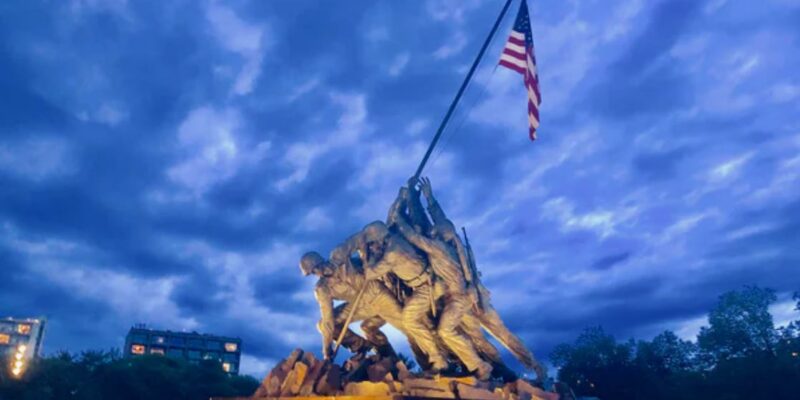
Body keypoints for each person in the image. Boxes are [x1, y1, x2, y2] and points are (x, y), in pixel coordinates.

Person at [389, 187, 493, 380]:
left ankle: (480, 365)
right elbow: (441, 222)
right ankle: (452, 361)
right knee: (435, 326)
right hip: (447, 292)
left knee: (445, 330)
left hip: (457, 297)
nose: (430, 230)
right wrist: (429, 199)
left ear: (437, 234)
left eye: (433, 230)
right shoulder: (450, 245)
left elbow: (414, 237)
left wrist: (398, 218)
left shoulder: (438, 248)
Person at [300, 251, 402, 360]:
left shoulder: (344, 262)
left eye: (314, 270)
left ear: (319, 263)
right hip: (361, 306)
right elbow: (327, 320)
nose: (316, 274)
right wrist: (326, 349)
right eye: (312, 273)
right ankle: (361, 346)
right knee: (323, 325)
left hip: (380, 295)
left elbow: (373, 264)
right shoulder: (322, 289)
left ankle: (395, 358)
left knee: (370, 327)